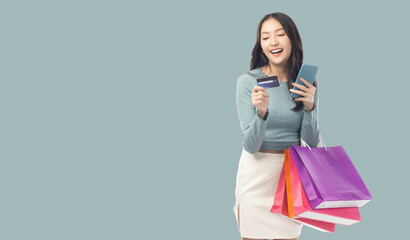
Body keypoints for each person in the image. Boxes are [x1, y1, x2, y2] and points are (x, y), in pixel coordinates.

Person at [232, 12, 320, 240]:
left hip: (290, 177)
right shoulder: (248, 82)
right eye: (265, 37)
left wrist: (310, 106)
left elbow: (311, 142)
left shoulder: (305, 83)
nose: (273, 42)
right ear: (260, 46)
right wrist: (261, 114)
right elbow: (250, 146)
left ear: (292, 39)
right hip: (256, 176)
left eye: (280, 34)